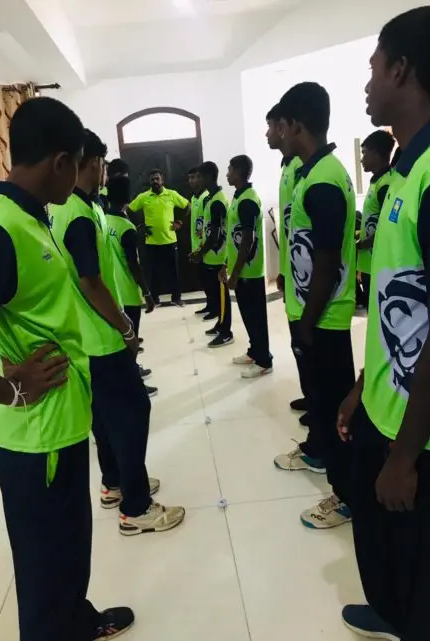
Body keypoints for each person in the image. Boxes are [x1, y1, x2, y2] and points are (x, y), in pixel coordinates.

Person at [0, 97, 134, 641]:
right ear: (61, 162)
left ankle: (78, 620)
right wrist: (7, 390)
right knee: (44, 566)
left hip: (62, 422)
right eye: (80, 165)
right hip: (35, 436)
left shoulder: (34, 217)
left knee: (70, 546)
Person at [338, 8, 430, 639]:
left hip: (416, 435)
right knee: (385, 553)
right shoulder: (402, 171)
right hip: (387, 406)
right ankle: (394, 611)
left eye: (373, 68)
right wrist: (363, 386)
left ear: (401, 69)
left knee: (417, 573)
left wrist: (404, 456)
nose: (367, 84)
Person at [49, 129, 185, 536]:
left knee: (106, 416)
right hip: (101, 338)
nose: (104, 171)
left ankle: (114, 483)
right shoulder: (77, 214)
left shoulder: (73, 207)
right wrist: (125, 326)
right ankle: (136, 507)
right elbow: (90, 282)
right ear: (92, 163)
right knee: (132, 412)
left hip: (86, 337)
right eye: (102, 163)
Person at [273, 82, 356, 530]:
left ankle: (347, 496)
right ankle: (335, 471)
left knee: (334, 407)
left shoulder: (323, 180)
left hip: (325, 317)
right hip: (316, 313)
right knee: (324, 405)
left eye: (281, 126)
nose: (278, 134)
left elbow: (327, 261)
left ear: (295, 125)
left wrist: (306, 323)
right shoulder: (314, 172)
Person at [266, 103, 309, 424]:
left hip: (307, 279)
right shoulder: (287, 168)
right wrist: (282, 270)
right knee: (300, 346)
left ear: (283, 128)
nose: (267, 134)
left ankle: (320, 405)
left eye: (270, 126)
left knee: (309, 346)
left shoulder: (300, 168)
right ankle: (311, 396)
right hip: (293, 273)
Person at [104, 174, 158, 397]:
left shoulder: (103, 220)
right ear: (128, 197)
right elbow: (134, 265)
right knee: (131, 342)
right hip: (127, 292)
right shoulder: (126, 227)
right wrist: (147, 292)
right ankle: (132, 386)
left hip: (111, 291)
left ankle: (128, 376)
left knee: (120, 342)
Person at [223, 155, 273, 377]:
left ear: (239, 172)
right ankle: (254, 351)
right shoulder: (239, 197)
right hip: (242, 270)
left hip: (249, 272)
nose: (227, 174)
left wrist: (235, 274)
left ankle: (264, 361)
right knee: (248, 316)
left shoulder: (247, 201)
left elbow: (248, 239)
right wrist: (227, 264)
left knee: (256, 318)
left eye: (230, 170)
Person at [128, 169, 189, 307]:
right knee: (152, 273)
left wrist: (180, 222)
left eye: (157, 179)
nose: (155, 181)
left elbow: (187, 206)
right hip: (151, 242)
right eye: (152, 179)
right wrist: (140, 226)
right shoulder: (144, 197)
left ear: (162, 180)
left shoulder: (172, 194)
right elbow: (129, 210)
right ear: (149, 182)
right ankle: (154, 299)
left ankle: (176, 298)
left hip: (170, 240)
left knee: (174, 272)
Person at [191, 161, 233, 348]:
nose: (197, 180)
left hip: (218, 257)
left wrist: (201, 253)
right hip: (212, 256)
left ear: (208, 177)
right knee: (216, 295)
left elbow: (215, 235)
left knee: (222, 296)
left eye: (200, 176)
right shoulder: (211, 198)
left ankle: (226, 333)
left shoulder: (217, 201)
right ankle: (220, 324)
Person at [357, 130, 395, 307]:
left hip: (379, 266)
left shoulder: (386, 185)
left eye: (364, 153)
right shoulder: (377, 182)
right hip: (369, 266)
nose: (361, 159)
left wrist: (361, 245)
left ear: (376, 154)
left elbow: (387, 227)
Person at [188, 167, 210, 316]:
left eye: (194, 177)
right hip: (196, 246)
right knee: (203, 280)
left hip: (205, 247)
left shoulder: (206, 198)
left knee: (210, 281)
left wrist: (202, 247)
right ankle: (210, 305)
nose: (191, 181)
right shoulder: (194, 198)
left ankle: (215, 308)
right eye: (190, 178)